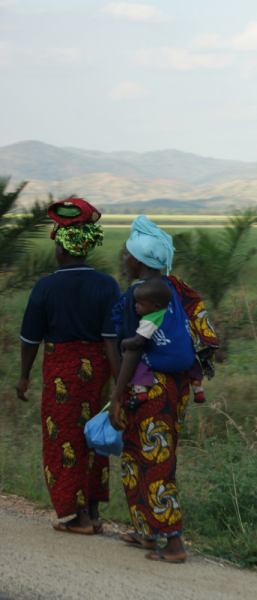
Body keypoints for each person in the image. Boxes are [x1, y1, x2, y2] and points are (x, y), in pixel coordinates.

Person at [109, 215, 219, 562]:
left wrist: (115, 395)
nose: (123, 259)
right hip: (178, 388)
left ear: (139, 260)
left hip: (147, 388)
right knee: (145, 455)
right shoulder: (177, 288)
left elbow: (133, 349)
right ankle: (147, 532)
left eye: (126, 253)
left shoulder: (136, 296)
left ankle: (173, 545)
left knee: (151, 461)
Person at [16, 198, 121, 535]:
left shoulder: (45, 286)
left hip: (61, 370)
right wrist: (119, 384)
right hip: (98, 372)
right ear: (86, 249)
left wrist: (23, 377)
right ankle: (92, 512)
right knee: (93, 437)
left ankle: (77, 520)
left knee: (63, 440)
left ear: (61, 250)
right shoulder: (107, 285)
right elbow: (110, 339)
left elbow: (30, 339)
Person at [121, 279, 206, 410]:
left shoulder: (149, 320)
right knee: (187, 351)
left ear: (155, 307)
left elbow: (138, 341)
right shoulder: (173, 311)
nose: (135, 306)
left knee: (138, 356)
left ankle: (141, 391)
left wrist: (123, 342)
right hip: (187, 362)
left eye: (140, 304)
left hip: (168, 363)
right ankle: (198, 389)